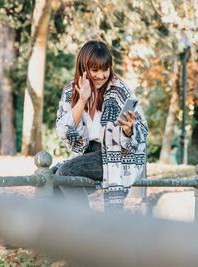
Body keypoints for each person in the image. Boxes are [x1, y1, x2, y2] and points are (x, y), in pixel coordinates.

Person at [53, 40, 148, 212]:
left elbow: (142, 130)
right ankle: (61, 233)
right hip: (87, 152)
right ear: (84, 68)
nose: (101, 75)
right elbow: (64, 132)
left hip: (118, 153)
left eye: (105, 69)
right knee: (52, 180)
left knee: (65, 173)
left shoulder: (120, 90)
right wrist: (82, 100)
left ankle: (88, 229)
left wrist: (129, 130)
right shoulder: (70, 91)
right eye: (94, 70)